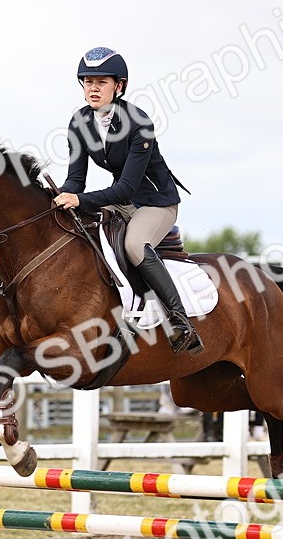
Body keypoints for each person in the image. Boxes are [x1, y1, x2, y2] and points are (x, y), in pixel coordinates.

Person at [54, 46, 204, 355]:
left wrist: (79, 199)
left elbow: (124, 189)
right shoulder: (79, 122)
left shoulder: (138, 123)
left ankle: (181, 322)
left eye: (102, 82)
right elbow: (76, 180)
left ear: (119, 86)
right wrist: (60, 197)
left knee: (135, 245)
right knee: (77, 228)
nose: (93, 89)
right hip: (121, 199)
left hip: (156, 202)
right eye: (88, 82)